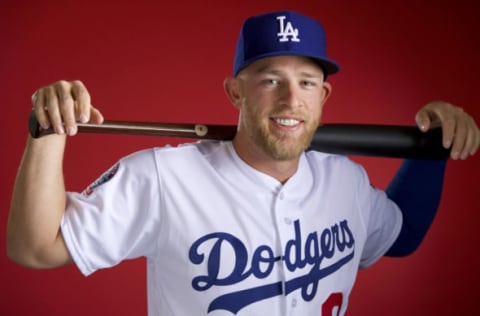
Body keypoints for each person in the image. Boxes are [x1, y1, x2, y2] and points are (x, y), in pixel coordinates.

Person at [7, 9, 479, 316]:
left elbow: (400, 236)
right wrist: (49, 131)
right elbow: (35, 247)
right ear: (235, 91)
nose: (291, 98)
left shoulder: (346, 180)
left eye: (307, 82)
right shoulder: (162, 177)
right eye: (270, 79)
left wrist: (433, 150)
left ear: (324, 95)